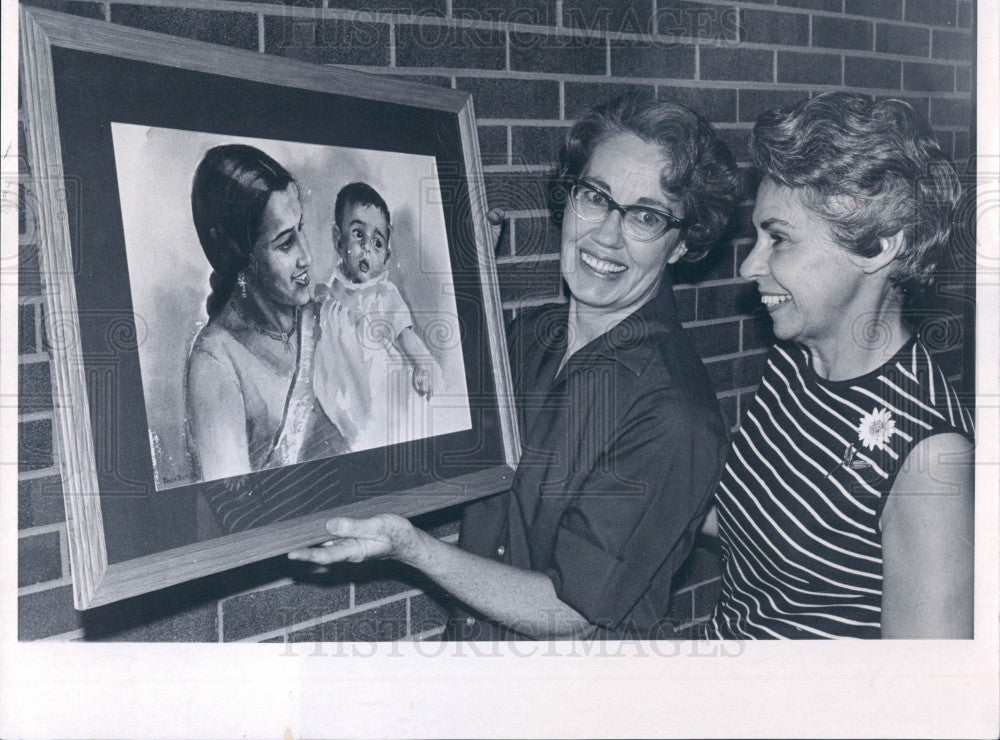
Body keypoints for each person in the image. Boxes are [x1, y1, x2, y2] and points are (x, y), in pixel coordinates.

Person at [289, 95, 744, 640]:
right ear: (570, 197)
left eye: (645, 216)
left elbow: (568, 609)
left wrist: (414, 549)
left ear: (679, 244)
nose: (606, 235)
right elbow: (431, 424)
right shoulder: (529, 336)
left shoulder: (675, 415)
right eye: (595, 197)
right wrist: (462, 281)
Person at [704, 92, 974, 639]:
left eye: (778, 238)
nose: (750, 265)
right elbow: (751, 522)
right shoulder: (795, 361)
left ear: (875, 246)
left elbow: (921, 704)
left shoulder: (930, 459)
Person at [186, 144, 348, 532]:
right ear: (242, 257)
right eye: (285, 242)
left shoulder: (323, 313)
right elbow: (239, 525)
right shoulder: (215, 365)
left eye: (302, 231)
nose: (307, 256)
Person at [313, 182, 439, 452]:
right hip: (339, 376)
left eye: (377, 242)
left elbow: (406, 336)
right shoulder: (330, 288)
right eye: (358, 234)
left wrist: (420, 365)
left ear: (387, 256)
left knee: (380, 424)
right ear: (338, 239)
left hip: (376, 381)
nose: (367, 248)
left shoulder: (385, 294)